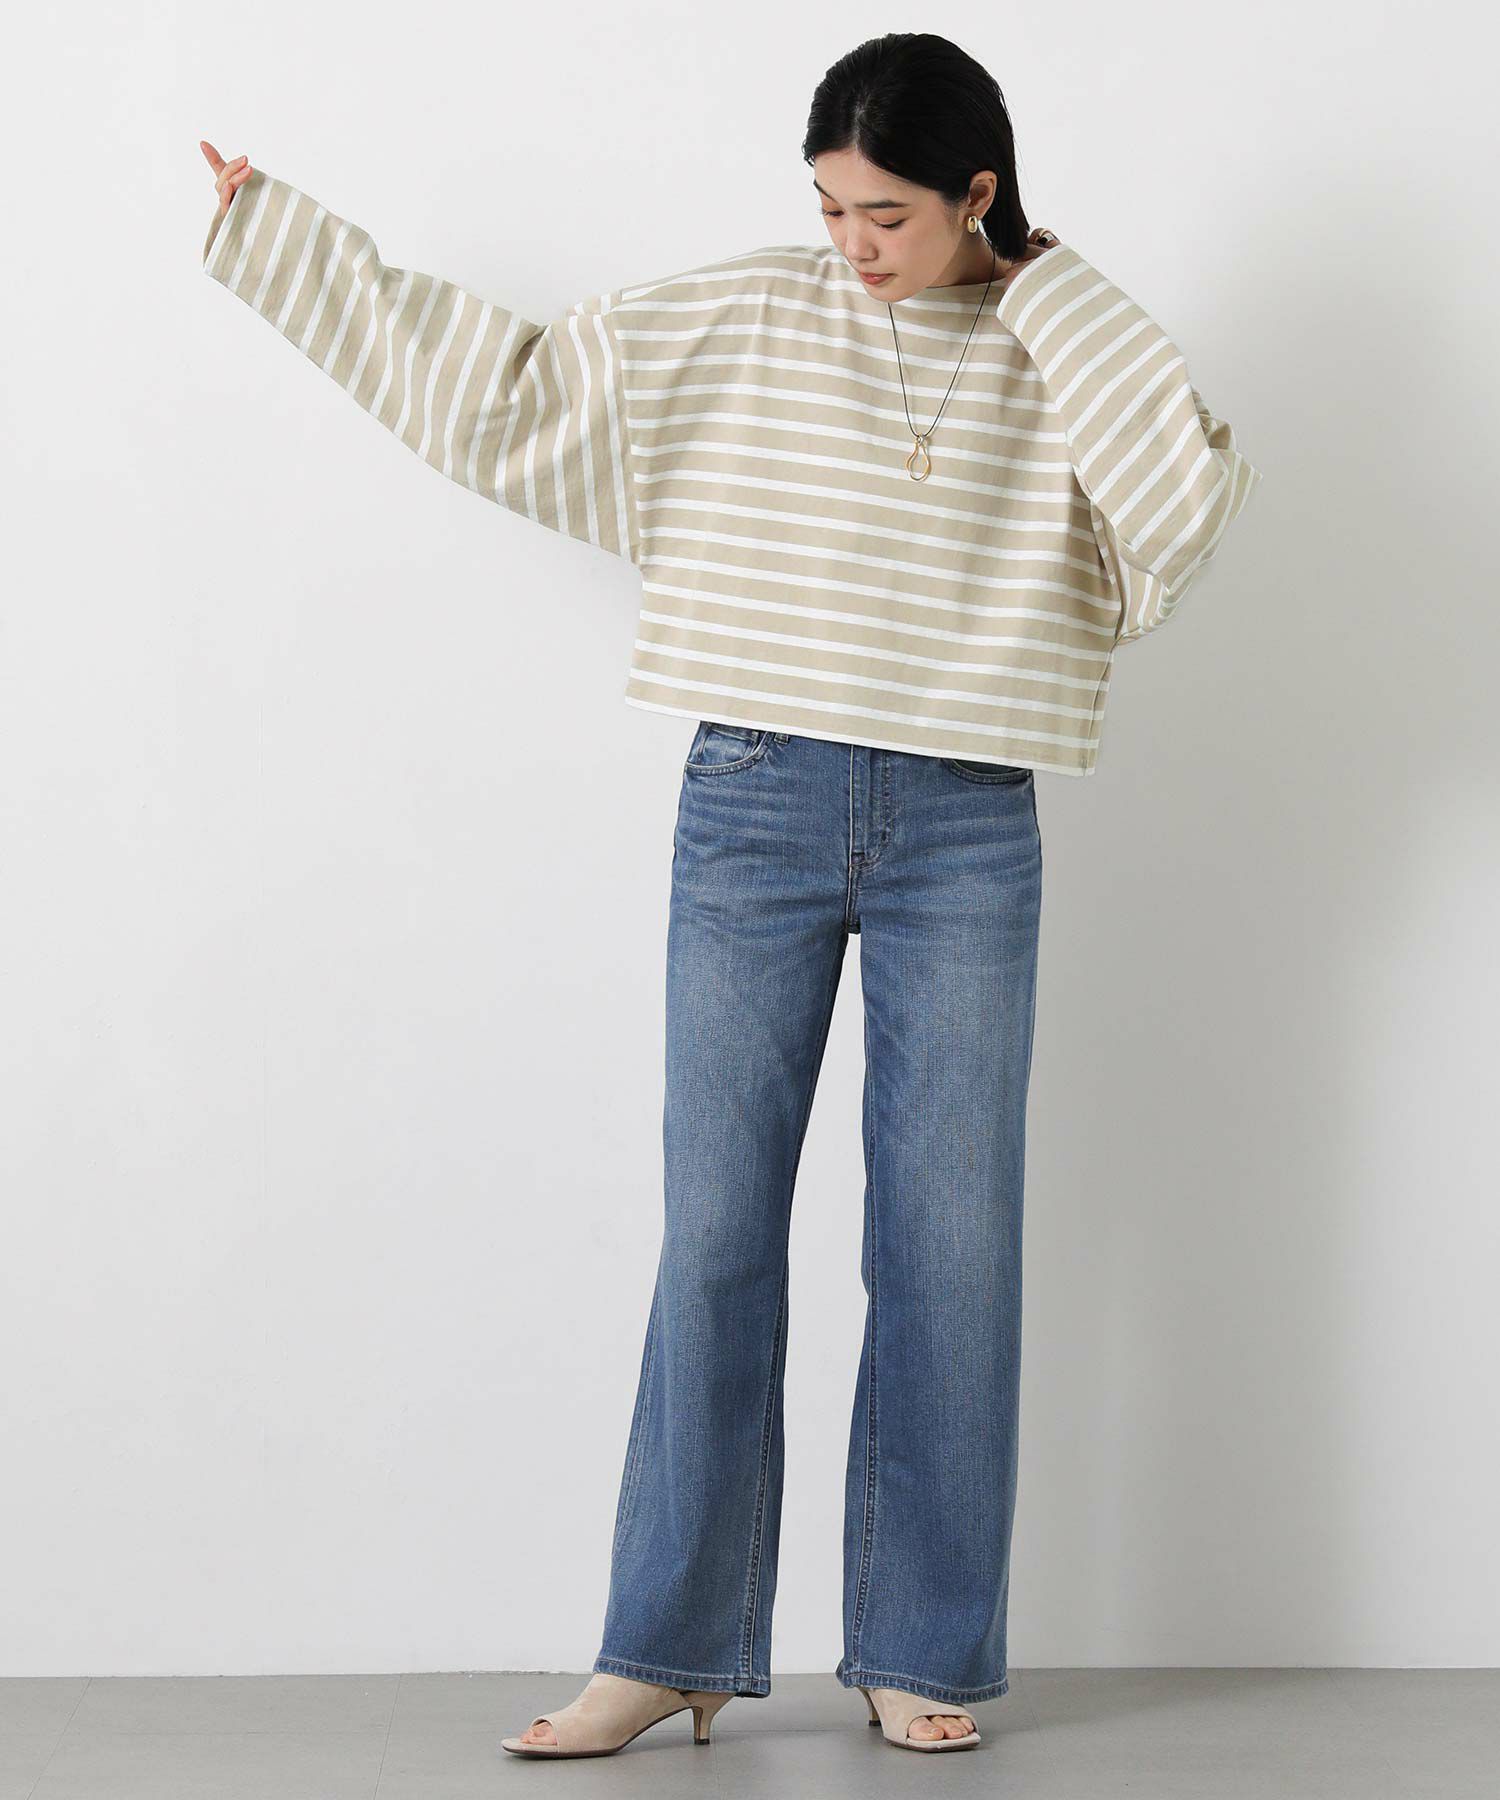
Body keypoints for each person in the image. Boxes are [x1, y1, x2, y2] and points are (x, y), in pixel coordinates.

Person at [198, 29, 1262, 1761]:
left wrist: (1046, 291)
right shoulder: (759, 313)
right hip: (753, 804)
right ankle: (672, 1644)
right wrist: (286, 239)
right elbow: (512, 391)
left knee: (950, 1247)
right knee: (714, 1237)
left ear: (978, 193)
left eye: (888, 214)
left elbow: (1182, 515)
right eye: (831, 206)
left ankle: (921, 1647)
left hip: (966, 823)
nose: (853, 243)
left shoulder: (1062, 351)